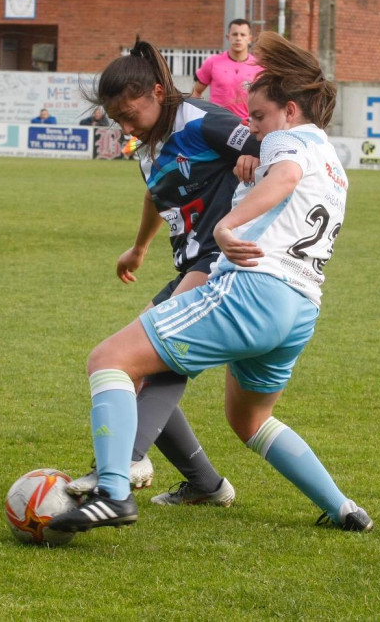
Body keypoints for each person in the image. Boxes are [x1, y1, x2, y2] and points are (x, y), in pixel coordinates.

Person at [49, 31, 373, 535]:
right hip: (301, 305)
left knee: (113, 360)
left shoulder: (274, 136)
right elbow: (177, 191)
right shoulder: (329, 159)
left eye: (260, 117)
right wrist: (140, 246)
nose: (253, 127)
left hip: (245, 283)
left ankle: (117, 485)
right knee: (248, 420)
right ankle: (342, 507)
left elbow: (282, 172)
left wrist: (227, 223)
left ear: (289, 110)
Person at [65, 40, 262, 507]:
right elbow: (157, 195)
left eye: (130, 114)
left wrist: (254, 155)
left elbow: (273, 147)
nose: (126, 126)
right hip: (189, 263)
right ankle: (207, 485)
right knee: (133, 367)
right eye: (118, 120)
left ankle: (127, 459)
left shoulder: (202, 119)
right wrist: (139, 248)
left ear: (157, 90)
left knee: (150, 356)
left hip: (221, 258)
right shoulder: (147, 147)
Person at [192, 19, 263, 121]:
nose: (238, 38)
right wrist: (198, 115)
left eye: (242, 35)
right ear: (228, 37)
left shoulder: (258, 66)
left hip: (247, 125)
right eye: (234, 34)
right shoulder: (212, 62)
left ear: (250, 39)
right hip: (216, 122)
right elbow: (196, 91)